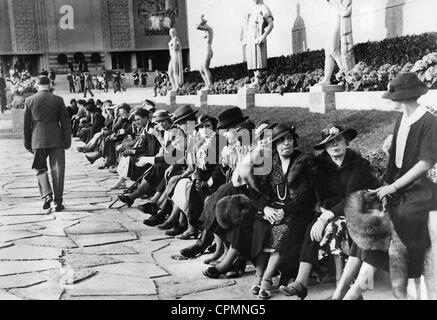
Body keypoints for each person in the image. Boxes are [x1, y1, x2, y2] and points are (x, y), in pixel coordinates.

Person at [280, 125, 379, 300]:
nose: (335, 145)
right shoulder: (320, 166)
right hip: (334, 210)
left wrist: (327, 216)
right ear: (325, 147)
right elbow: (318, 193)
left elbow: (352, 197)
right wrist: (321, 209)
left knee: (336, 227)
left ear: (346, 142)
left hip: (363, 209)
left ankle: (343, 288)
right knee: (313, 226)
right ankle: (300, 282)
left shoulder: (357, 165)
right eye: (330, 143)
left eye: (339, 140)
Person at [367, 73, 437, 299]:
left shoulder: (429, 121)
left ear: (405, 96)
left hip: (421, 190)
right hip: (399, 188)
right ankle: (360, 286)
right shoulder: (401, 119)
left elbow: (425, 163)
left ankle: (410, 286)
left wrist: (394, 188)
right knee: (372, 214)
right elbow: (394, 160)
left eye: (394, 94)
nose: (390, 98)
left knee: (403, 220)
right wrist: (385, 187)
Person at [244, 125, 318, 299]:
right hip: (271, 210)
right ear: (275, 144)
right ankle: (259, 275)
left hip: (298, 211)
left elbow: (306, 195)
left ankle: (266, 279)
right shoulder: (268, 161)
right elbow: (253, 190)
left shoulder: (304, 161)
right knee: (261, 227)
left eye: (290, 139)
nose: (287, 143)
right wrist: (265, 208)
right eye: (282, 140)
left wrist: (283, 211)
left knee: (283, 229)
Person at [23, 76, 71, 212]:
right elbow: (65, 122)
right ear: (49, 85)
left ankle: (46, 196)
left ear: (37, 86)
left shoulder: (29, 100)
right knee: (58, 171)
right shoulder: (58, 100)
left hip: (38, 139)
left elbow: (26, 126)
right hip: (56, 139)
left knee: (40, 168)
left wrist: (27, 144)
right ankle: (58, 201)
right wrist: (67, 141)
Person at [317, 0, 355, 85]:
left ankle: (347, 75)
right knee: (328, 50)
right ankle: (327, 79)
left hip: (338, 11)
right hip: (331, 11)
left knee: (333, 49)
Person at [244, 0, 274, 89]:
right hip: (251, 39)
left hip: (258, 38)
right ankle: (256, 81)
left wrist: (263, 36)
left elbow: (271, 24)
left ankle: (258, 81)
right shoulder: (253, 9)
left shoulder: (264, 8)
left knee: (258, 60)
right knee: (253, 61)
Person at [196, 15, 214, 91]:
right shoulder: (207, 31)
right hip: (206, 51)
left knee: (205, 68)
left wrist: (201, 20)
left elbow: (198, 27)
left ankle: (210, 86)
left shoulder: (209, 29)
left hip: (208, 50)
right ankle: (207, 85)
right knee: (201, 70)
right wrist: (201, 20)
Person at [168, 28, 184, 92]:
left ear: (175, 32)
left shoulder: (176, 39)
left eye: (173, 32)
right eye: (170, 32)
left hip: (175, 56)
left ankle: (177, 87)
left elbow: (176, 49)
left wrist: (174, 41)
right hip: (172, 57)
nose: (171, 34)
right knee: (170, 73)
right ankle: (174, 87)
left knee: (175, 72)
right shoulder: (172, 39)